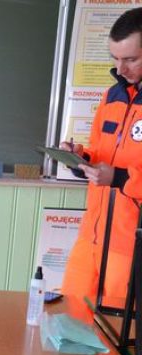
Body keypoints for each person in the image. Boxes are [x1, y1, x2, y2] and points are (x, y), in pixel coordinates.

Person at [60, 7, 142, 308]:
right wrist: (80, 158)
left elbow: (118, 172)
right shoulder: (111, 96)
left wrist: (118, 177)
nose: (120, 69)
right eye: (115, 59)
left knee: (117, 329)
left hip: (129, 246)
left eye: (130, 59)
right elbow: (101, 153)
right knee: (69, 318)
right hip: (91, 236)